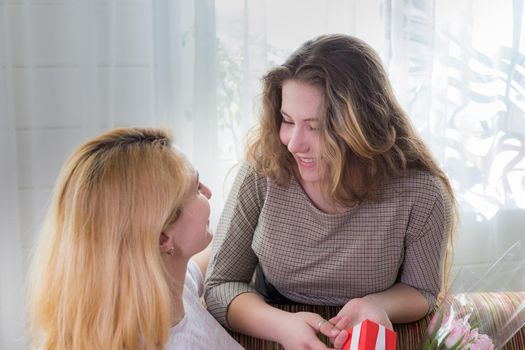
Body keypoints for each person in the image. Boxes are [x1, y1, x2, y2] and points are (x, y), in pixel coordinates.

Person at [204, 33, 457, 349]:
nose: (294, 144)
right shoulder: (262, 172)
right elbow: (219, 285)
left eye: (316, 127)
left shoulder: (421, 194)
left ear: (362, 126)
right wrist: (282, 327)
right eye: (287, 120)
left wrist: (379, 305)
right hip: (274, 323)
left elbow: (422, 291)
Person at [27, 127, 244, 350]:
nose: (208, 192)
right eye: (196, 189)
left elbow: (221, 249)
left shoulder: (165, 288)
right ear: (162, 238)